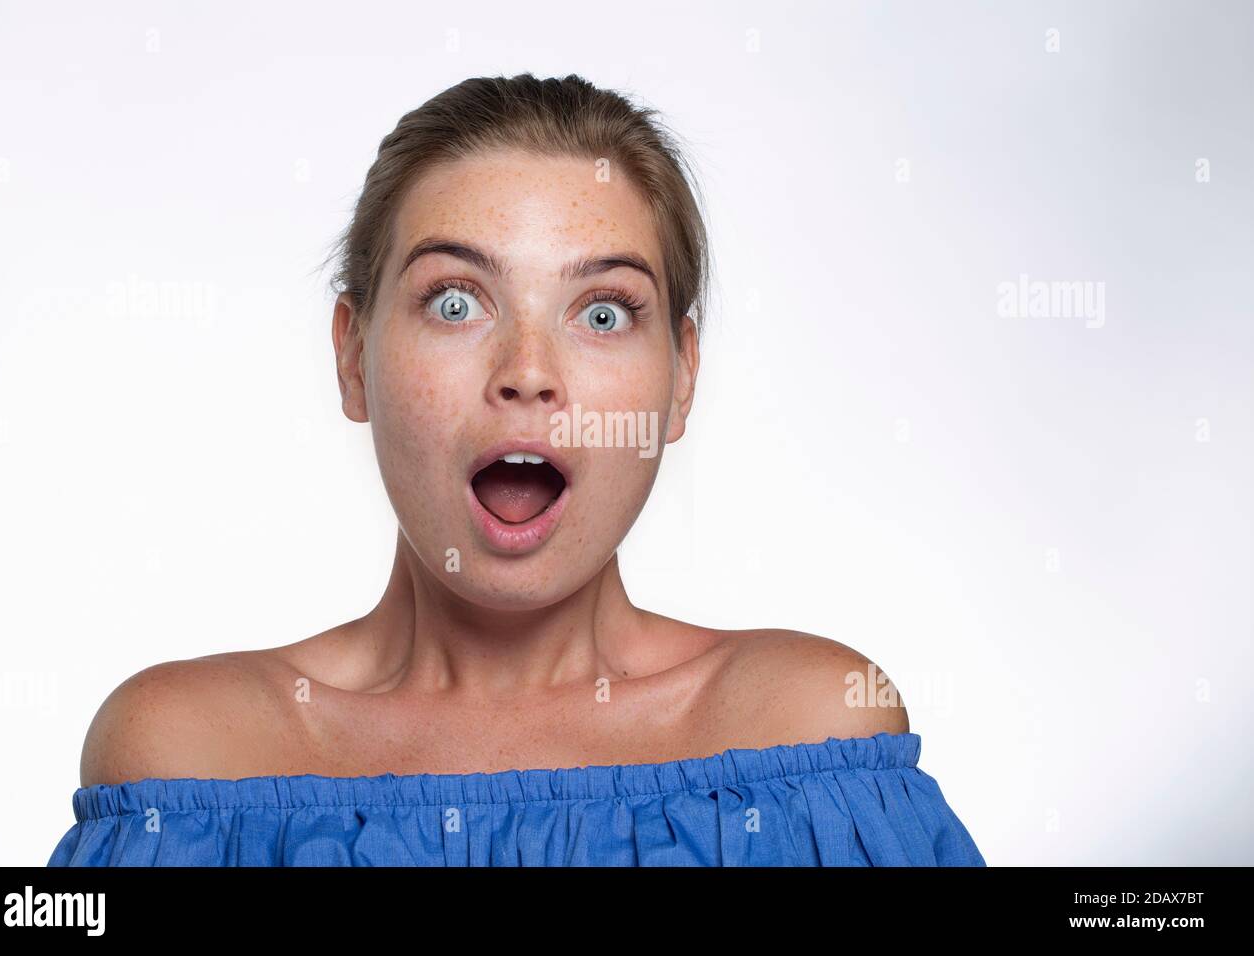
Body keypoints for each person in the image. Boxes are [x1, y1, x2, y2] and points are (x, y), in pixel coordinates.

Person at [48, 72, 985, 866]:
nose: (529, 374)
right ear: (352, 355)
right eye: (456, 302)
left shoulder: (816, 733)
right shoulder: (181, 756)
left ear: (683, 377)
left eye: (605, 312)